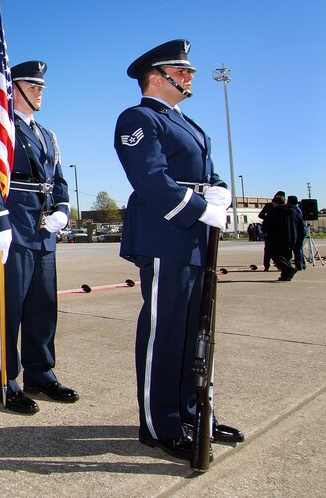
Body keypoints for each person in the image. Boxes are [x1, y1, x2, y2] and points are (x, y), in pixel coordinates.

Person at [114, 40, 244, 462]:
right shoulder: (139, 118)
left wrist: (220, 191)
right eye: (181, 71)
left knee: (194, 331)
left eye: (188, 71)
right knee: (164, 331)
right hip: (164, 233)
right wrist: (202, 209)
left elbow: (207, 171)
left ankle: (193, 414)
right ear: (156, 76)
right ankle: (159, 423)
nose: (190, 77)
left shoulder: (188, 123)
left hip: (195, 236)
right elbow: (150, 178)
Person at [0, 60, 76, 414]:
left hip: (44, 231)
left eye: (41, 86)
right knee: (10, 310)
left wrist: (62, 209)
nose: (39, 90)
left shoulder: (48, 135)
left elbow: (58, 180)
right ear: (12, 88)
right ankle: (5, 380)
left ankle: (41, 373)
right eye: (31, 85)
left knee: (43, 309)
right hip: (13, 228)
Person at [262, 194, 298, 281]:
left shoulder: (275, 212)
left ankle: (288, 269)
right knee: (286, 256)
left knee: (274, 254)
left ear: (275, 203)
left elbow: (267, 224)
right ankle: (286, 275)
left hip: (277, 237)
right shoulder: (293, 211)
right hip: (291, 236)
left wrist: (266, 232)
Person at [258, 191, 285, 270]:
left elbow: (261, 215)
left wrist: (267, 219)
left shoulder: (269, 206)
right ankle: (280, 264)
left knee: (268, 249)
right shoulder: (284, 207)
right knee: (279, 249)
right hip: (279, 230)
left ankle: (267, 265)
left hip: (269, 229)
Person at [286, 195, 306, 270]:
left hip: (298, 231)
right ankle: (302, 264)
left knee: (297, 248)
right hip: (300, 230)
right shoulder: (298, 209)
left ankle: (299, 265)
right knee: (299, 248)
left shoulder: (293, 210)